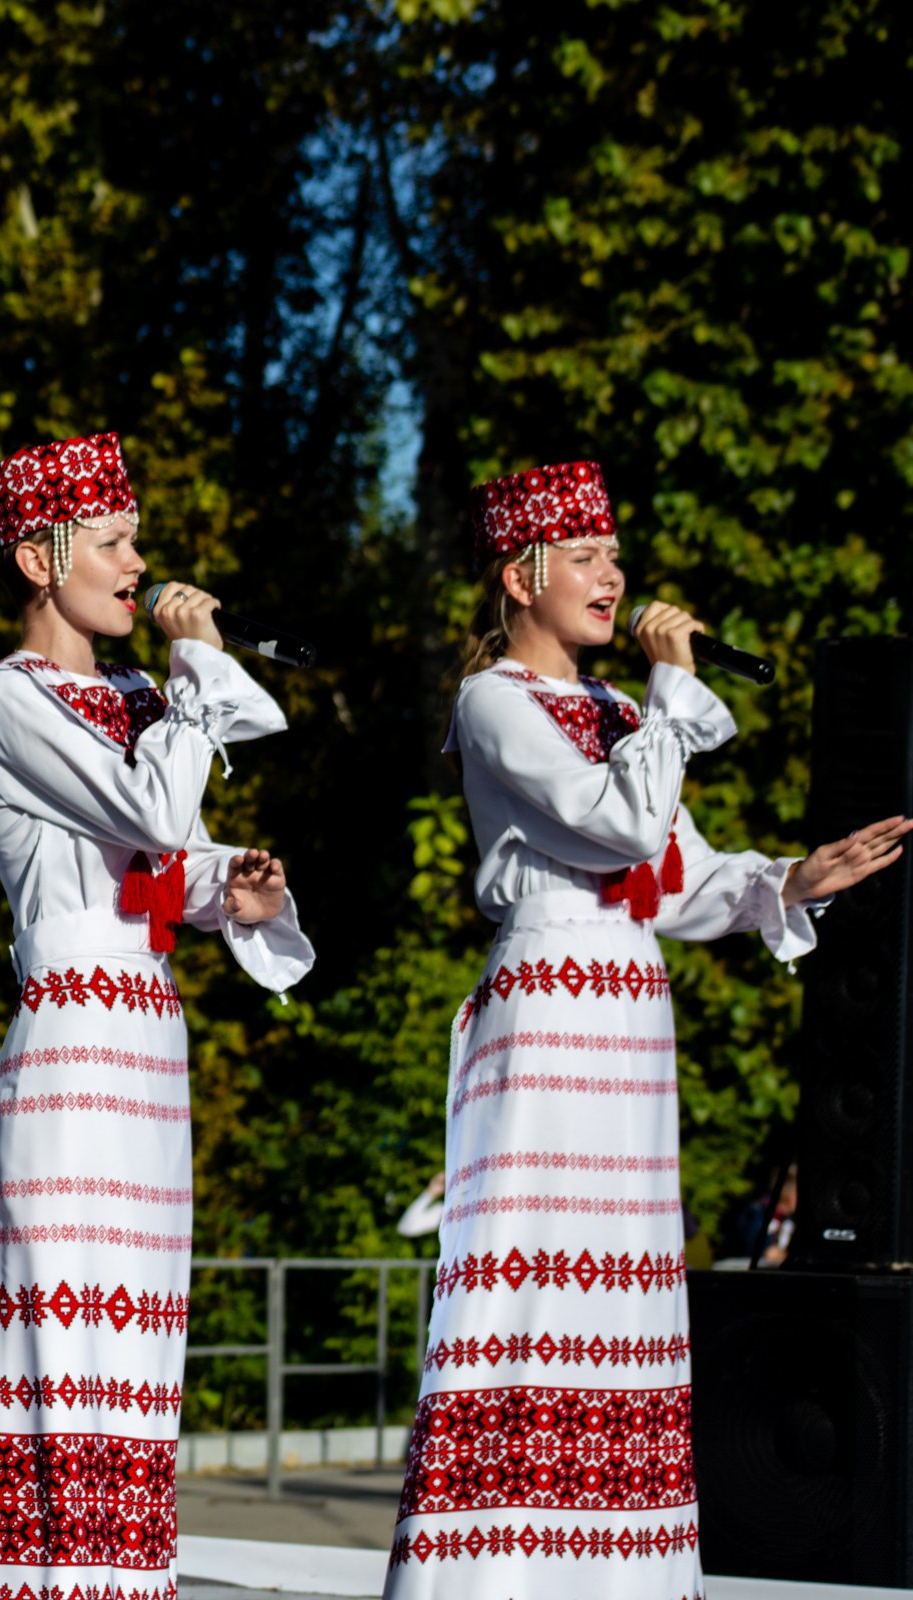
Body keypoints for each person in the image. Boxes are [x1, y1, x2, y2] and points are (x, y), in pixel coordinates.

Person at [381, 461, 911, 1599]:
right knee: (528, 1285)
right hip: (546, 1005)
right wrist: (676, 690)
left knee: (620, 1293)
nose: (613, 576)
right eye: (584, 556)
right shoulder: (495, 703)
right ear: (521, 579)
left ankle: (611, 1574)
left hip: (627, 1013)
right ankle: (492, 1572)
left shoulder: (625, 714)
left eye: (615, 555)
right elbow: (612, 824)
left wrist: (792, 877)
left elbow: (678, 881)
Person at [0, 432, 315, 1600]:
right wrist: (197, 677)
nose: (140, 562)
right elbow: (150, 806)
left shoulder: (140, 698)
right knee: (60, 1344)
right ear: (42, 559)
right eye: (114, 541)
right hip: (70, 1040)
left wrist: (229, 889)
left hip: (148, 1039)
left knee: (133, 1358)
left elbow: (166, 857)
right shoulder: (7, 699)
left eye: (134, 538)